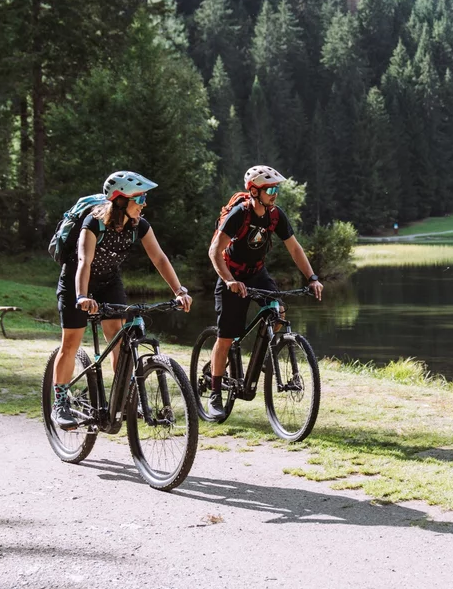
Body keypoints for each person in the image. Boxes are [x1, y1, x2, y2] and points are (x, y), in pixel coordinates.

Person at [51, 171, 192, 429]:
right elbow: (85, 261)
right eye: (139, 198)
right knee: (71, 341)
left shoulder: (139, 224)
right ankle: (60, 402)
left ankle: (126, 398)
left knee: (118, 336)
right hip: (77, 280)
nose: (144, 203)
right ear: (120, 201)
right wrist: (82, 296)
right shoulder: (93, 224)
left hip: (108, 281)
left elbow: (159, 258)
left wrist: (178, 290)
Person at [207, 165, 323, 417]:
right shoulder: (239, 214)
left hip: (257, 273)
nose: (275, 194)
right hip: (232, 275)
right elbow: (214, 251)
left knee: (278, 311)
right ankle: (215, 392)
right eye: (270, 189)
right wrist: (228, 280)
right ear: (254, 191)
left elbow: (294, 248)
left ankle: (263, 354)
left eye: (276, 189)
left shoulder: (275, 215)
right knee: (226, 338)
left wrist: (312, 277)